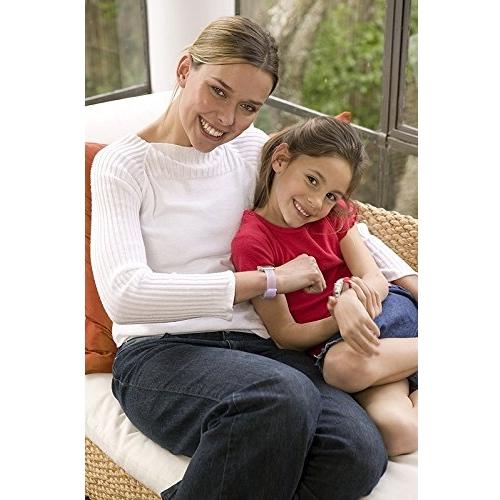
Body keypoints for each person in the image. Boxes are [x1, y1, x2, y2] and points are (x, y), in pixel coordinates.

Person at [91, 16, 414, 500]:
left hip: (264, 350)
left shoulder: (250, 148)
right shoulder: (123, 165)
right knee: (280, 398)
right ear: (185, 70)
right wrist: (268, 281)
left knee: (356, 452)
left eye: (248, 106)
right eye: (218, 92)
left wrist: (409, 279)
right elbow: (125, 296)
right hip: (162, 354)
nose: (227, 119)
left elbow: (341, 222)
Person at [231, 116, 418, 457]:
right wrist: (338, 318)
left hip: (384, 314)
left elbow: (375, 278)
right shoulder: (253, 243)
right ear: (281, 160)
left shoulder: (335, 216)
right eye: (312, 180)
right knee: (397, 433)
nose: (317, 202)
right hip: (356, 347)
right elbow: (286, 335)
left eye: (331, 195)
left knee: (340, 368)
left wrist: (351, 300)